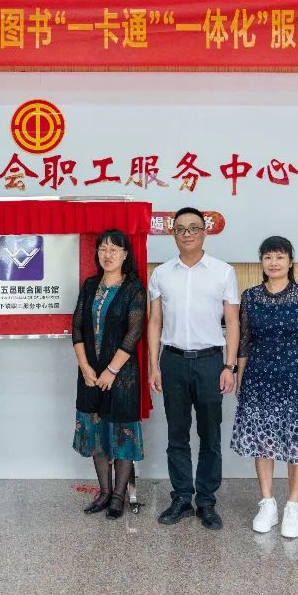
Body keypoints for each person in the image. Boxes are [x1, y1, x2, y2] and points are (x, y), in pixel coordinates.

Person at [148, 206, 240, 531]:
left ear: (204, 232)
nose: (187, 234)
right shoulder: (161, 274)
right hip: (172, 361)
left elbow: (232, 321)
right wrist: (153, 365)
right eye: (181, 229)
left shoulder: (223, 272)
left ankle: (207, 501)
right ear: (173, 233)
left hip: (211, 362)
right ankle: (181, 498)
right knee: (177, 434)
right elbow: (154, 321)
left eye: (193, 228)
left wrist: (229, 365)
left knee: (210, 435)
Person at [230, 236, 298, 539]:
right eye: (268, 257)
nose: (274, 262)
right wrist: (240, 376)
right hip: (259, 378)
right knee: (263, 441)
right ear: (262, 262)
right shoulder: (250, 296)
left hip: (296, 379)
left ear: (291, 262)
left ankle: (293, 506)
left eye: (280, 257)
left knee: (297, 443)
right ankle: (267, 503)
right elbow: (245, 341)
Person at [71, 229, 147, 520]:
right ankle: (103, 492)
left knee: (122, 434)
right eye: (103, 248)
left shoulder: (134, 288)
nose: (108, 254)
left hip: (122, 376)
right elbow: (77, 327)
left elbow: (134, 333)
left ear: (125, 254)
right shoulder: (90, 285)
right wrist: (85, 367)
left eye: (114, 249)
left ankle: (118, 496)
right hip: (90, 374)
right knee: (96, 432)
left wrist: (111, 371)